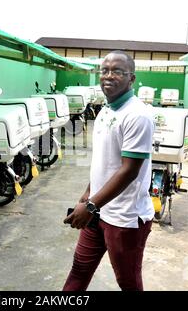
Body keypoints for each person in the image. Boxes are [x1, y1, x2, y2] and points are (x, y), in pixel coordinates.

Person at [63, 51, 154, 291]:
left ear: (131, 78)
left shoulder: (137, 115)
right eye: (104, 70)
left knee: (128, 281)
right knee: (79, 270)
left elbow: (129, 170)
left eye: (117, 71)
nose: (108, 76)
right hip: (98, 210)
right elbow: (105, 162)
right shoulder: (105, 111)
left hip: (125, 218)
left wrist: (91, 206)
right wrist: (88, 194)